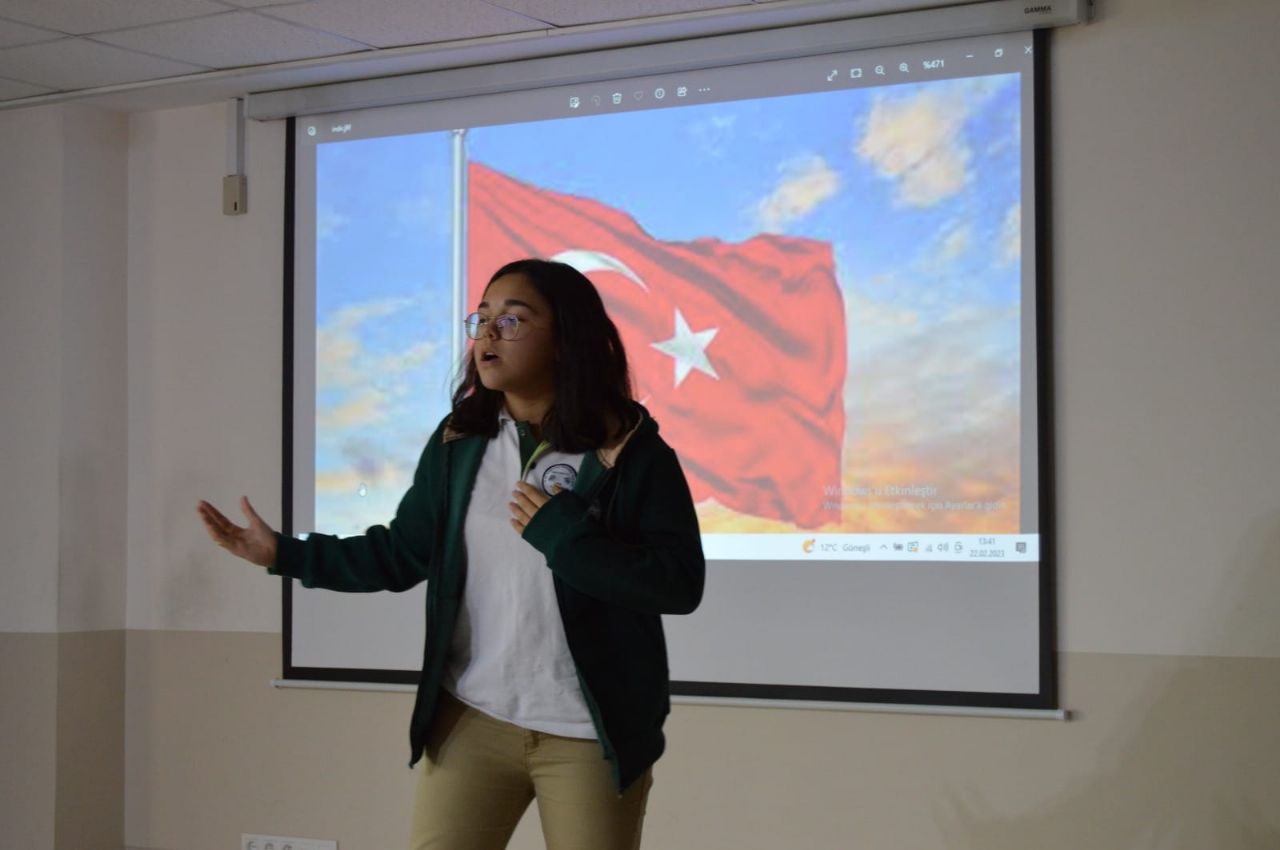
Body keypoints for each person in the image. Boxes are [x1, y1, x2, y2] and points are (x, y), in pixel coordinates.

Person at [196, 258, 706, 850]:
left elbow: (676, 584)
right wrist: (284, 554)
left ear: (567, 340)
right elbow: (400, 554)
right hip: (473, 718)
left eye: (512, 320)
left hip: (587, 735)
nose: (488, 333)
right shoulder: (458, 442)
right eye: (482, 318)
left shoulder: (631, 448)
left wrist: (565, 538)